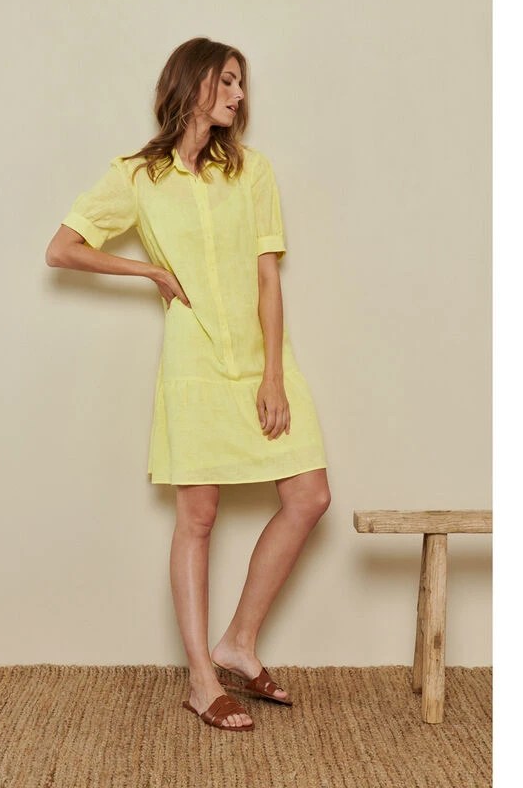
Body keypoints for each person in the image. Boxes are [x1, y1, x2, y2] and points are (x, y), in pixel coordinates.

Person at [45, 37, 331, 732]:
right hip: (193, 360)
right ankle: (203, 680)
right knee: (197, 518)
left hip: (261, 360)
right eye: (227, 80)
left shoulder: (252, 171)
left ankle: (238, 641)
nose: (239, 94)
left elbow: (267, 279)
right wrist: (150, 271)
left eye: (241, 83)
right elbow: (62, 248)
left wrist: (273, 376)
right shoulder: (136, 177)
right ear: (193, 81)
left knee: (309, 496)